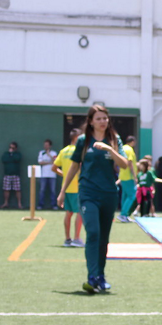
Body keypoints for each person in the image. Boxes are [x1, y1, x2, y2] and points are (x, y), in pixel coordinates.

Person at [56, 105, 128, 293]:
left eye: (105, 118)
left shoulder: (114, 140)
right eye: (98, 118)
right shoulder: (83, 140)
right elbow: (74, 166)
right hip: (88, 194)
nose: (103, 122)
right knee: (93, 232)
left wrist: (110, 149)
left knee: (103, 238)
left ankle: (101, 277)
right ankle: (92, 277)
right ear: (90, 121)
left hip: (109, 194)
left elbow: (124, 164)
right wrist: (63, 191)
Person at [53, 130, 84, 247]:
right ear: (76, 137)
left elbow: (54, 168)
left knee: (68, 213)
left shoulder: (63, 151)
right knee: (80, 213)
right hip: (77, 187)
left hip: (66, 188)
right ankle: (76, 239)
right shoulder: (79, 150)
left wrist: (65, 175)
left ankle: (67, 239)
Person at [117, 136, 138, 221]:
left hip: (123, 176)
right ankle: (123, 214)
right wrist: (134, 176)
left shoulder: (122, 148)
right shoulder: (129, 149)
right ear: (132, 141)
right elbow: (130, 163)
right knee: (132, 195)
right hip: (129, 176)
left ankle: (124, 215)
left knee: (125, 196)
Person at [1, 141, 23, 208]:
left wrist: (12, 155)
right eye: (10, 147)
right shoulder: (6, 154)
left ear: (16, 148)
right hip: (7, 174)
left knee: (17, 190)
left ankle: (19, 204)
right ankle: (6, 203)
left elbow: (17, 159)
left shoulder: (18, 154)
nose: (11, 149)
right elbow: (4, 160)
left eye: (13, 148)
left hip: (15, 174)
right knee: (6, 189)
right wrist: (10, 156)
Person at [37, 140, 58, 211]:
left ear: (50, 146)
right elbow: (40, 162)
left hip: (52, 175)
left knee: (53, 191)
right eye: (45, 145)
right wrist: (50, 162)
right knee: (42, 190)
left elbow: (55, 162)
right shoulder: (41, 152)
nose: (45, 146)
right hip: (43, 175)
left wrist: (49, 155)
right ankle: (40, 205)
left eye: (47, 145)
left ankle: (54, 205)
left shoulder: (54, 153)